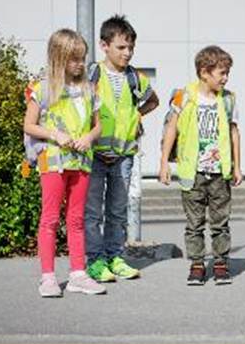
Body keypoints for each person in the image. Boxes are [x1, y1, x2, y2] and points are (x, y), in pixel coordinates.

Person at [23, 29, 106, 297]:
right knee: (49, 219)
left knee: (76, 219)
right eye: (73, 59)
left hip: (81, 161)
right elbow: (29, 125)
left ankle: (78, 275)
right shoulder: (43, 88)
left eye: (82, 58)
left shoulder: (89, 89)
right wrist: (54, 134)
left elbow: (98, 127)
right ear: (58, 58)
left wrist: (88, 138)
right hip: (53, 161)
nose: (80, 64)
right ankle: (47, 278)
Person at [84, 15, 159, 283]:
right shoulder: (92, 74)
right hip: (94, 155)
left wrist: (137, 115)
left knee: (117, 211)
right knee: (92, 213)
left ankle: (115, 257)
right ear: (104, 46)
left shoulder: (134, 77)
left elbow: (153, 101)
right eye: (121, 48)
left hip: (123, 156)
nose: (127, 53)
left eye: (131, 48)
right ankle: (94, 261)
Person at [159, 46, 242, 286]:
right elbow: (171, 129)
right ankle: (197, 264)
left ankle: (220, 263)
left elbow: (234, 133)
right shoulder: (183, 96)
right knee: (194, 224)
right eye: (222, 73)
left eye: (227, 73)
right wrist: (164, 162)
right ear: (204, 72)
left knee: (220, 222)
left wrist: (237, 166)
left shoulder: (228, 99)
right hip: (191, 172)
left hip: (220, 172)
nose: (225, 78)